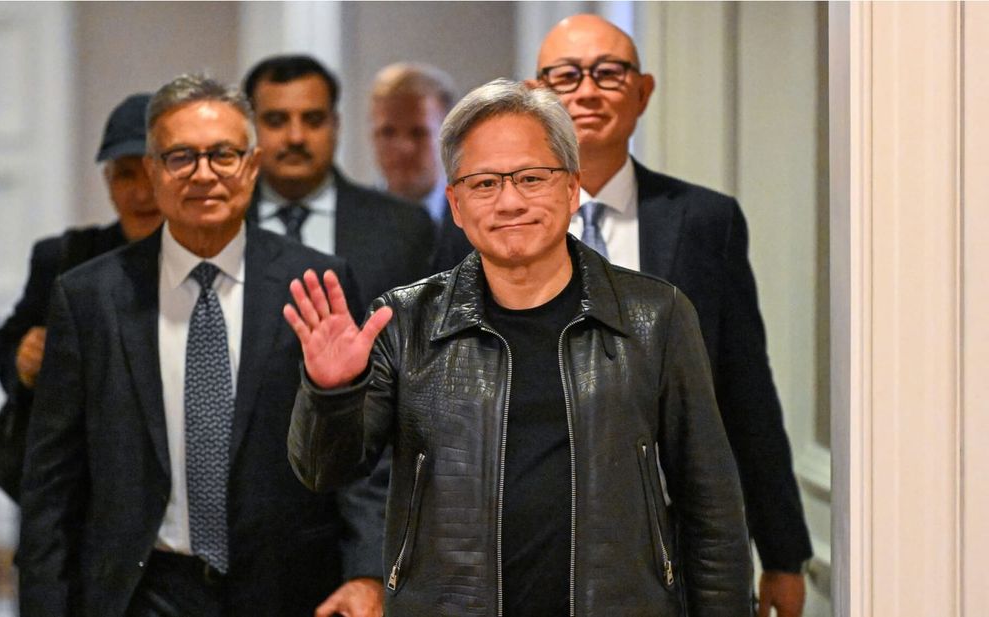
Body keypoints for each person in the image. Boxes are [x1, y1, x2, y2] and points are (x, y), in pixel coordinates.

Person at [285, 79, 752, 616]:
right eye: (484, 183)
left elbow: (712, 508)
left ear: (571, 188)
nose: (510, 202)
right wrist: (332, 392)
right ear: (456, 204)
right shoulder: (406, 322)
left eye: (531, 178)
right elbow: (324, 471)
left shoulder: (656, 316)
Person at [16, 74, 383, 617]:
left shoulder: (315, 283)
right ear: (153, 171)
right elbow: (52, 482)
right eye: (181, 157)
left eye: (223, 155)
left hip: (289, 589)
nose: (203, 174)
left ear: (252, 166)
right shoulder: (90, 297)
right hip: (141, 591)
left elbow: (360, 453)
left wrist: (369, 573)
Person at [521, 15, 812, 617]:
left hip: (669, 547)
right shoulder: (495, 220)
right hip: (529, 541)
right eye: (566, 75)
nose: (587, 91)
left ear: (643, 91)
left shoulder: (704, 221)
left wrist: (783, 553)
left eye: (608, 72)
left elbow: (744, 390)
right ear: (535, 95)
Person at [0, 93, 163, 500]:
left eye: (152, 174)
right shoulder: (65, 259)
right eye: (126, 175)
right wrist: (22, 359)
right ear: (108, 183)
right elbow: (8, 343)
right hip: (82, 492)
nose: (141, 193)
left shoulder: (213, 264)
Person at [242, 54, 435, 308]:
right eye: (276, 121)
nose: (296, 137)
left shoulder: (404, 228)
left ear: (335, 125)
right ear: (249, 128)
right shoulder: (222, 224)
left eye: (313, 120)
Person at [368, 62, 456, 225]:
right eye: (388, 132)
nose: (403, 148)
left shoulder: (476, 221)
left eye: (418, 133)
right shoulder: (351, 221)